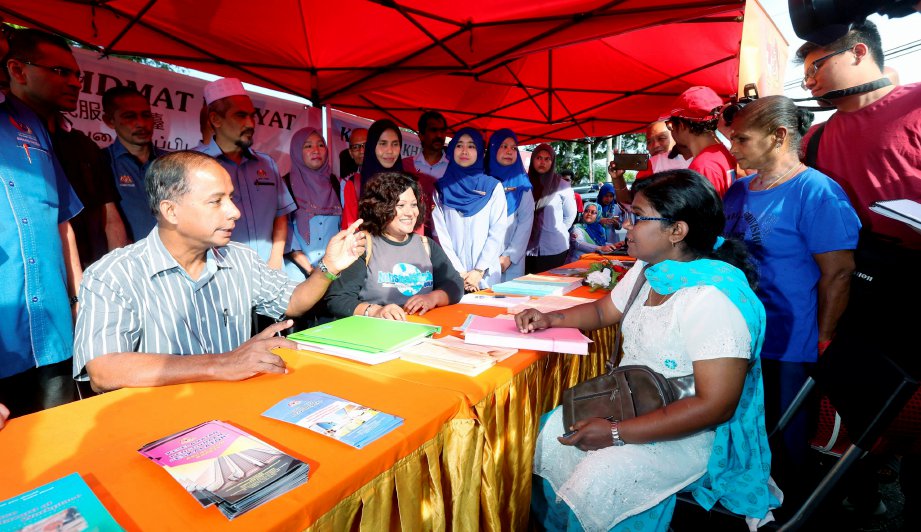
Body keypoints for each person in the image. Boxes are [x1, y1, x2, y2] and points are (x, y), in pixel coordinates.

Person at [518, 170, 777, 531]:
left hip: (687, 433)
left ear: (677, 231)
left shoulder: (713, 300)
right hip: (634, 402)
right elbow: (602, 310)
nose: (627, 226)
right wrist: (549, 318)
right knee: (550, 434)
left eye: (638, 217)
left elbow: (715, 406)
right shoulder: (649, 270)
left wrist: (615, 434)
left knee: (601, 478)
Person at [72, 151, 366, 393]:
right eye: (216, 201)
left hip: (236, 411)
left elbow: (292, 301)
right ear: (171, 211)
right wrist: (222, 363)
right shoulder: (113, 274)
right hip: (163, 429)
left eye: (231, 198)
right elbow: (103, 369)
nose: (234, 212)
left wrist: (327, 269)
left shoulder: (240, 259)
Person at [796, 20, 921, 520]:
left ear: (858, 52)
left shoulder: (915, 107)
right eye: (804, 73)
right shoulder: (819, 139)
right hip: (859, 295)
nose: (809, 82)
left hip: (916, 293)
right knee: (864, 405)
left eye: (816, 66)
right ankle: (861, 493)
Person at [722, 95, 860, 493]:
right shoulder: (739, 189)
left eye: (742, 139)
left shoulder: (816, 191)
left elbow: (838, 273)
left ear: (778, 136)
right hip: (737, 332)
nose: (732, 148)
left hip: (788, 339)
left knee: (783, 437)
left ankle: (790, 505)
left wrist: (823, 338)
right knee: (742, 427)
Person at [0, 61, 83, 418]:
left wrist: (79, 299)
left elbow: (62, 221)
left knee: (64, 446)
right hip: (5, 328)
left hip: (52, 328)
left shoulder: (29, 123)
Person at [6, 28, 128, 267]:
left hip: (93, 280)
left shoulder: (83, 144)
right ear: (18, 71)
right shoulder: (4, 138)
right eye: (61, 72)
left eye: (77, 76)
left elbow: (110, 218)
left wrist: (117, 274)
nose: (74, 84)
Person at [325, 172, 463, 320]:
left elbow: (455, 284)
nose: (410, 212)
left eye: (414, 205)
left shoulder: (426, 245)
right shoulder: (363, 245)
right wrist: (375, 311)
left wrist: (432, 298)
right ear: (380, 207)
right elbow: (338, 299)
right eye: (401, 205)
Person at [195, 77, 296, 269]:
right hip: (218, 274)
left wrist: (276, 259)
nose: (250, 123)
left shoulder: (267, 164)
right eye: (240, 115)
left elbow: (281, 215)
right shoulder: (194, 165)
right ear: (216, 119)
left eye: (252, 115)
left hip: (267, 271)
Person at [432, 128, 507, 291]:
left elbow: (498, 231)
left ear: (480, 151)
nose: (464, 151)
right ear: (452, 150)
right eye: (459, 145)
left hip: (486, 276)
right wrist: (460, 272)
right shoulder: (441, 188)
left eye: (471, 146)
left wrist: (478, 271)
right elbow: (440, 234)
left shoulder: (493, 187)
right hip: (452, 274)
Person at [101, 86, 167, 242]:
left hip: (175, 258)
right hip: (128, 261)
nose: (141, 123)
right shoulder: (102, 162)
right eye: (130, 116)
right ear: (110, 121)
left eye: (146, 115)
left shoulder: (171, 162)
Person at [283, 127, 342, 281]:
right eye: (308, 146)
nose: (316, 150)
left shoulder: (338, 184)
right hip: (296, 273)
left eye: (321, 145)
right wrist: (310, 270)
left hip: (335, 272)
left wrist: (329, 269)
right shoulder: (285, 185)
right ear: (297, 151)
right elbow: (285, 231)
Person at [486, 128, 534, 281]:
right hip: (482, 257)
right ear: (493, 148)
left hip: (511, 261)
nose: (509, 151)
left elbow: (526, 223)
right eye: (504, 146)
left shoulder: (522, 185)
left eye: (514, 148)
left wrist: (509, 256)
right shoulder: (481, 180)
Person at [525, 144, 577, 273]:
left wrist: (554, 230)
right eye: (539, 158)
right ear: (533, 160)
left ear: (552, 162)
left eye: (547, 159)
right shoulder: (524, 183)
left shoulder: (562, 185)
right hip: (524, 248)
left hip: (553, 248)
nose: (542, 162)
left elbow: (570, 215)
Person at [403, 111, 448, 235]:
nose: (439, 135)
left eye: (442, 130)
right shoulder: (405, 166)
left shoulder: (453, 168)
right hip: (411, 234)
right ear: (421, 135)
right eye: (433, 130)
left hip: (443, 238)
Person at [336, 127, 367, 229]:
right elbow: (348, 223)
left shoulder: (390, 178)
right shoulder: (349, 183)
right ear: (350, 153)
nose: (362, 151)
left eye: (365, 145)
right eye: (356, 147)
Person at [360, 119, 405, 187]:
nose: (390, 151)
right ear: (372, 146)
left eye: (395, 144)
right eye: (383, 144)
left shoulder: (405, 184)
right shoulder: (354, 185)